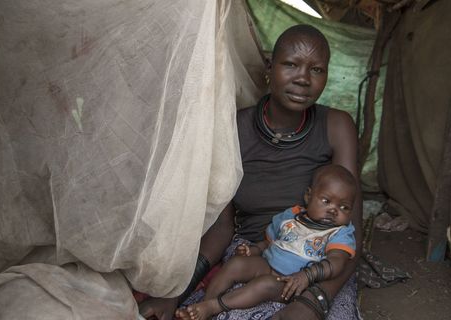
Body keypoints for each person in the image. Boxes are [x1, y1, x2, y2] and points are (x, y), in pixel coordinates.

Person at [139, 24, 362, 320]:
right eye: (291, 64)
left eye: (317, 70)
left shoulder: (336, 126)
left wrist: (314, 301)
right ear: (270, 67)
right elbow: (221, 227)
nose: (303, 79)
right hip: (254, 257)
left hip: (322, 262)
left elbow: (351, 231)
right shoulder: (235, 128)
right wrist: (173, 294)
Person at [176, 165, 357, 320]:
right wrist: (253, 250)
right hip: (267, 264)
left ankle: (216, 306)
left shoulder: (340, 232)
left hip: (291, 283)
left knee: (264, 285)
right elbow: (269, 242)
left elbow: (337, 262)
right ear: (309, 196)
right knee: (236, 264)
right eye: (326, 201)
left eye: (344, 207)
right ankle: (204, 304)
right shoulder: (291, 215)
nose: (333, 210)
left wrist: (306, 276)